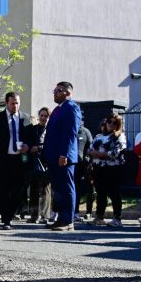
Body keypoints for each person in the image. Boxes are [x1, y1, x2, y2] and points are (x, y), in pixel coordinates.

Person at [0, 92, 32, 229]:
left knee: (19, 189)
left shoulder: (25, 118)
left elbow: (30, 137)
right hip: (3, 159)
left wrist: (27, 146)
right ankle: (6, 219)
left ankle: (11, 213)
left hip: (20, 159)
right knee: (4, 189)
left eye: (17, 103)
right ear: (6, 103)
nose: (15, 106)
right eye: (12, 103)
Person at [43, 82, 82, 231]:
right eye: (54, 90)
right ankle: (60, 219)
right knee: (58, 190)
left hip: (63, 157)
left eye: (58, 90)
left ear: (68, 93)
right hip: (53, 157)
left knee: (66, 188)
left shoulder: (71, 107)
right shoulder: (58, 109)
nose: (55, 93)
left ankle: (68, 221)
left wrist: (64, 154)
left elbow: (70, 133)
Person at [89, 114, 127, 227]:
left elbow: (115, 153)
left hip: (113, 169)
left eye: (115, 123)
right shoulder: (98, 136)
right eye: (109, 121)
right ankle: (99, 217)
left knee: (114, 193)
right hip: (98, 168)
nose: (111, 124)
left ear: (118, 125)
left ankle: (117, 218)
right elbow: (90, 150)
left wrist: (98, 154)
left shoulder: (120, 136)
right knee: (101, 193)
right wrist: (101, 154)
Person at [27, 107, 52, 224]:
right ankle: (34, 215)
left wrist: (39, 148)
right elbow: (28, 142)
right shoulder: (33, 129)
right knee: (33, 189)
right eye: (41, 115)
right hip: (33, 162)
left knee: (46, 190)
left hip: (46, 162)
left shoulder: (51, 130)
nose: (43, 118)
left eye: (46, 116)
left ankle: (45, 216)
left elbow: (52, 144)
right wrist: (30, 148)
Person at [75, 119, 94, 222]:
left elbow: (91, 146)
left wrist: (89, 161)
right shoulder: (68, 130)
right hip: (70, 165)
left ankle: (87, 212)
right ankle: (72, 211)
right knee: (73, 188)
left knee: (85, 189)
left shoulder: (85, 132)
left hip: (83, 165)